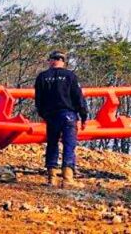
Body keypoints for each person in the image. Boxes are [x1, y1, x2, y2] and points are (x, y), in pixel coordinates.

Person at [34, 51, 88, 188]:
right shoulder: (70, 76)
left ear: (50, 61)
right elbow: (78, 97)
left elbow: (38, 100)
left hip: (51, 115)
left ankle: (52, 177)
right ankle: (67, 178)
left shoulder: (42, 77)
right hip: (68, 114)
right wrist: (84, 116)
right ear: (63, 61)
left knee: (52, 144)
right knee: (69, 145)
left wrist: (44, 115)